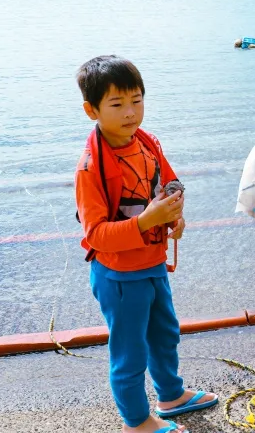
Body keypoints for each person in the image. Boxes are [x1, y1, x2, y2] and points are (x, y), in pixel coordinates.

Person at [75, 56, 218, 433]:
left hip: (152, 263)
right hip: (120, 276)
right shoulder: (91, 168)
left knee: (165, 333)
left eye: (136, 100)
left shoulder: (147, 143)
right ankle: (136, 422)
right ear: (92, 110)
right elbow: (95, 235)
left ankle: (171, 395)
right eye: (117, 104)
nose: (130, 112)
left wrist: (174, 217)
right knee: (130, 352)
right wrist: (146, 221)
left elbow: (169, 185)